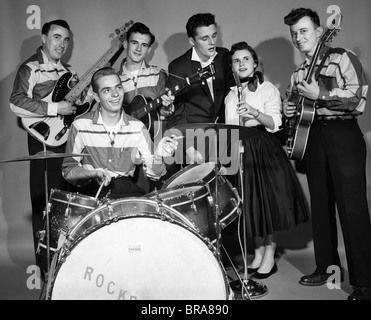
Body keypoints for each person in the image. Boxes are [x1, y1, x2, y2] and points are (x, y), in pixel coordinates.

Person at [283, 7, 371, 300]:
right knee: (320, 206)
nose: (298, 37)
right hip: (313, 137)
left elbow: (358, 96)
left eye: (304, 31)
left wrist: (320, 95)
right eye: (294, 33)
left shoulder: (343, 56)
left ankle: (366, 281)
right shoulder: (298, 73)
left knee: (352, 207)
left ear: (320, 32)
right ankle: (327, 267)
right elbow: (295, 108)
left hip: (343, 134)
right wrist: (289, 109)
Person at [225, 41, 309, 280]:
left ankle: (270, 254)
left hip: (262, 150)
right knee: (251, 205)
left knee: (266, 204)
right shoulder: (231, 94)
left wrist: (253, 112)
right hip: (239, 151)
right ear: (232, 66)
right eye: (236, 60)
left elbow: (275, 124)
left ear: (255, 63)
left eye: (245, 59)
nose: (241, 64)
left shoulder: (267, 88)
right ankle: (260, 252)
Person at [9, 19, 78, 279]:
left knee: (63, 199)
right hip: (41, 138)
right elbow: (15, 102)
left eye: (66, 39)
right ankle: (44, 268)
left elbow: (71, 109)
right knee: (43, 203)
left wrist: (81, 103)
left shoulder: (67, 72)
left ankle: (64, 263)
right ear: (43, 38)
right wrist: (54, 109)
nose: (62, 44)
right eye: (57, 37)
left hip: (64, 140)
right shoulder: (31, 67)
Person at [62, 67, 178, 200]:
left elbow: (155, 174)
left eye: (118, 87)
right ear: (96, 96)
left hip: (126, 190)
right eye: (107, 90)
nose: (115, 94)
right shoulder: (80, 125)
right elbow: (69, 170)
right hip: (91, 193)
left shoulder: (138, 127)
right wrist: (92, 173)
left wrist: (158, 156)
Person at [167, 13, 232, 164]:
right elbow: (177, 113)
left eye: (214, 35)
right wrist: (188, 148)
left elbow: (233, 92)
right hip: (195, 142)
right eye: (205, 38)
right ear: (191, 40)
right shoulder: (178, 67)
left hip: (226, 137)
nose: (212, 42)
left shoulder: (224, 56)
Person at [118, 22, 175, 192]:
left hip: (156, 140)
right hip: (127, 147)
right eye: (134, 43)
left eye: (144, 45)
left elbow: (165, 112)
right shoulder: (114, 79)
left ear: (149, 49)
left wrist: (167, 106)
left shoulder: (159, 74)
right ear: (125, 44)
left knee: (160, 195)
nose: (138, 49)